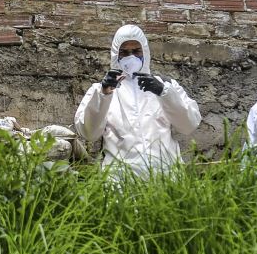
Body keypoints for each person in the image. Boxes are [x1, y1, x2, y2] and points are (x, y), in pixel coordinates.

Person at [73, 23, 202, 178]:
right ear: (116, 55)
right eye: (125, 52)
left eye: (136, 51)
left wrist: (163, 93)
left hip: (166, 179)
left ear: (145, 52)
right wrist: (103, 94)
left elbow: (189, 125)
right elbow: (89, 133)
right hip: (121, 182)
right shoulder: (100, 90)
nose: (131, 57)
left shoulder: (165, 86)